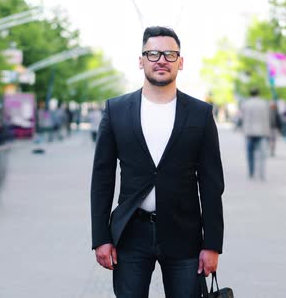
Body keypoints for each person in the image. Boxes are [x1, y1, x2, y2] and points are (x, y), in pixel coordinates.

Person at [90, 26, 225, 298]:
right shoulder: (116, 110)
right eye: (152, 53)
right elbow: (102, 179)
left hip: (184, 235)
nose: (161, 59)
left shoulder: (200, 114)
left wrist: (212, 244)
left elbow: (211, 185)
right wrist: (101, 238)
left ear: (181, 62)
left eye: (169, 54)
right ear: (141, 61)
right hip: (131, 234)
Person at [241, 89, 272, 179]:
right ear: (258, 93)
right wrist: (267, 131)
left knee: (250, 153)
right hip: (261, 131)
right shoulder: (263, 103)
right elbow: (267, 118)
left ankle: (251, 171)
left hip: (249, 131)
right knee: (262, 154)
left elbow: (243, 118)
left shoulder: (246, 104)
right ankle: (261, 172)